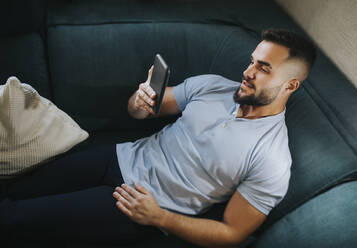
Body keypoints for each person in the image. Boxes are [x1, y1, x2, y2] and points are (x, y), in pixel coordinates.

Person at [0, 28, 316, 247]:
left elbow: (232, 233)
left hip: (139, 206)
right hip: (118, 157)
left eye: (263, 68)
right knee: (16, 187)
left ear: (290, 85)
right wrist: (138, 101)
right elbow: (142, 111)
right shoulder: (213, 85)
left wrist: (159, 217)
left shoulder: (272, 158)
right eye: (251, 61)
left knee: (14, 216)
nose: (248, 71)